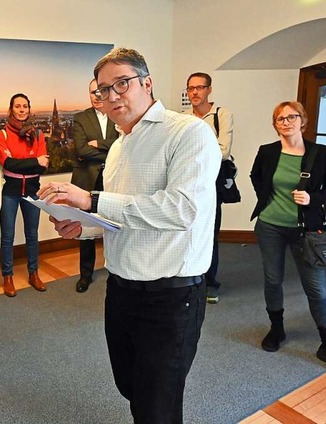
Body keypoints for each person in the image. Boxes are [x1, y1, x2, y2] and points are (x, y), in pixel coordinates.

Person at [38, 48, 221, 423]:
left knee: (158, 405)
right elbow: (121, 216)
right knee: (131, 387)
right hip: (121, 289)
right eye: (104, 90)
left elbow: (181, 210)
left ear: (147, 83)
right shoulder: (119, 146)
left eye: (122, 83)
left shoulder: (189, 132)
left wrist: (91, 199)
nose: (112, 95)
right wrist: (83, 225)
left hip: (171, 294)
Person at [250, 101, 326, 379]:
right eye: (280, 119)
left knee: (316, 289)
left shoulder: (321, 154)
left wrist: (314, 199)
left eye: (291, 117)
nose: (286, 122)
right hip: (270, 226)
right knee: (273, 280)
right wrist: (266, 202)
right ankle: (277, 328)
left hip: (307, 230)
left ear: (303, 120)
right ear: (275, 125)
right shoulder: (267, 152)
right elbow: (256, 176)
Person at [184, 72, 234, 304]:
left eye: (200, 88)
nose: (195, 92)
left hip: (212, 182)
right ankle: (190, 278)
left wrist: (193, 153)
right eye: (191, 88)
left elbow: (223, 151)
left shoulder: (221, 115)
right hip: (188, 181)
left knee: (210, 233)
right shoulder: (182, 118)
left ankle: (210, 283)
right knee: (188, 230)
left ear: (209, 90)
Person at [0, 93, 49, 297]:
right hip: (10, 191)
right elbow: (8, 164)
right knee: (8, 236)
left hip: (33, 190)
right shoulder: (3, 135)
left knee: (32, 235)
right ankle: (7, 276)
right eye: (17, 106)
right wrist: (35, 161)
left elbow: (44, 168)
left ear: (29, 109)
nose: (21, 110)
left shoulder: (38, 134)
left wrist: (25, 164)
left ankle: (33, 273)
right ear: (11, 109)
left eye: (25, 106)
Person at [70, 79, 118, 293]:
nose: (97, 96)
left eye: (101, 91)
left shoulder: (117, 113)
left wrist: (98, 144)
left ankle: (116, 269)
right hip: (87, 180)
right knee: (87, 227)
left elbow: (123, 143)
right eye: (93, 92)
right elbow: (81, 150)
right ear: (88, 94)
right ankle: (85, 275)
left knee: (113, 225)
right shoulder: (80, 118)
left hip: (113, 178)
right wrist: (111, 148)